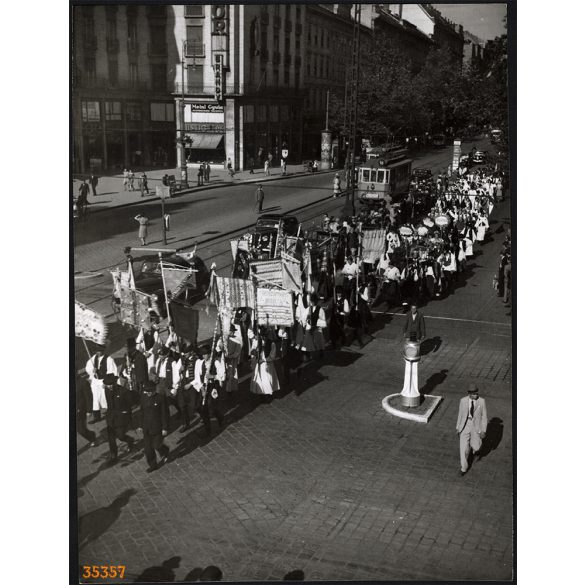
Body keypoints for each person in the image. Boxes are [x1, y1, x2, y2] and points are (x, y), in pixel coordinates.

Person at [137, 380, 170, 472]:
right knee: (148, 449)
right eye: (147, 392)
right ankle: (153, 465)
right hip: (146, 427)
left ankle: (165, 450)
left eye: (150, 391)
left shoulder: (160, 398)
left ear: (154, 391)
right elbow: (141, 412)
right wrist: (140, 425)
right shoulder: (143, 398)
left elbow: (164, 414)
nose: (148, 393)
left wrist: (165, 428)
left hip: (157, 427)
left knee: (157, 445)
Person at [455, 383, 488, 476]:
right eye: (474, 394)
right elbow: (460, 415)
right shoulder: (463, 401)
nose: (476, 395)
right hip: (465, 425)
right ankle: (463, 468)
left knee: (476, 445)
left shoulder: (482, 401)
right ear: (469, 393)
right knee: (463, 449)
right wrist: (458, 428)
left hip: (476, 426)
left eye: (477, 393)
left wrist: (483, 430)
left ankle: (476, 449)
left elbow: (484, 417)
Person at [103, 374, 135, 463]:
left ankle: (130, 440)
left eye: (111, 384)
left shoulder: (123, 391)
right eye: (107, 385)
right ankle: (114, 455)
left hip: (121, 418)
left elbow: (130, 404)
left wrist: (127, 415)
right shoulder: (106, 390)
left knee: (121, 436)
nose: (109, 386)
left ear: (115, 383)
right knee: (111, 438)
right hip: (110, 417)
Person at [85, 346, 117, 423]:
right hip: (96, 381)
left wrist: (107, 382)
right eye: (96, 351)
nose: (98, 353)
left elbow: (112, 372)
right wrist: (92, 371)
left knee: (106, 397)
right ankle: (96, 416)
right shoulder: (94, 358)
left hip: (104, 380)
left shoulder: (109, 359)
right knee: (95, 398)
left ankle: (110, 413)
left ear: (103, 351)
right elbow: (88, 367)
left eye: (99, 351)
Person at [250, 331, 280, 397]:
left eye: (264, 336)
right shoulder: (257, 342)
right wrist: (255, 352)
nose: (263, 338)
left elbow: (272, 356)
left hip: (267, 363)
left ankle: (267, 392)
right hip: (259, 363)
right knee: (259, 377)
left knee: (267, 377)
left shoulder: (272, 344)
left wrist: (264, 360)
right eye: (261, 336)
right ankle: (260, 392)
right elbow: (252, 351)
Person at [76, 373, 97, 447]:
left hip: (79, 410)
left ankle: (91, 436)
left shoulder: (83, 382)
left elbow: (89, 397)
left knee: (81, 430)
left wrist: (89, 410)